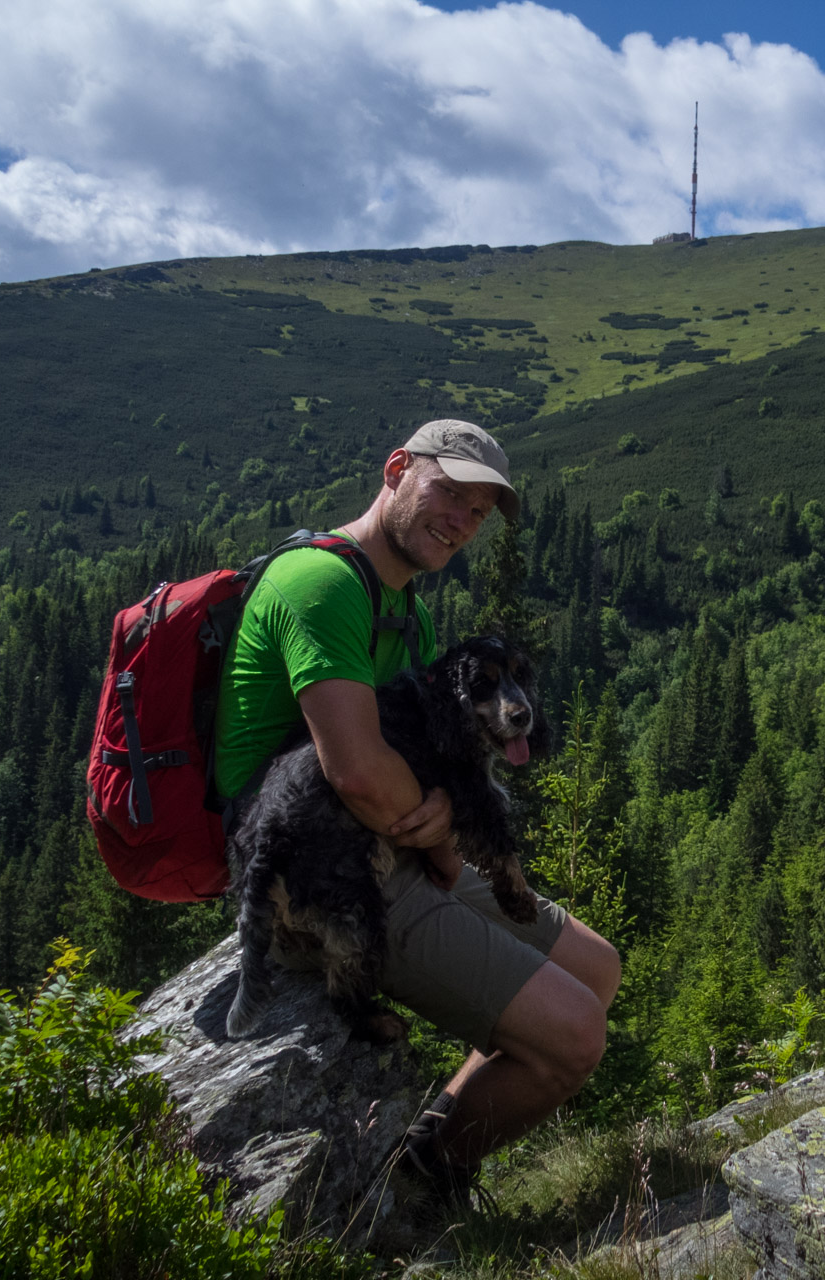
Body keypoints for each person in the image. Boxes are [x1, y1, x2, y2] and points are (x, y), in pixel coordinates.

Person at [213, 418, 619, 1192]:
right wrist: (440, 841)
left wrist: (440, 823)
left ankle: (433, 1131)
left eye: (478, 512)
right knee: (574, 1035)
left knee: (596, 969)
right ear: (397, 469)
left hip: (390, 842)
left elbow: (429, 753)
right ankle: (419, 1184)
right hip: (326, 868)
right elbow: (360, 773)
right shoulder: (321, 585)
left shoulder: (407, 610)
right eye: (450, 493)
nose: (462, 521)